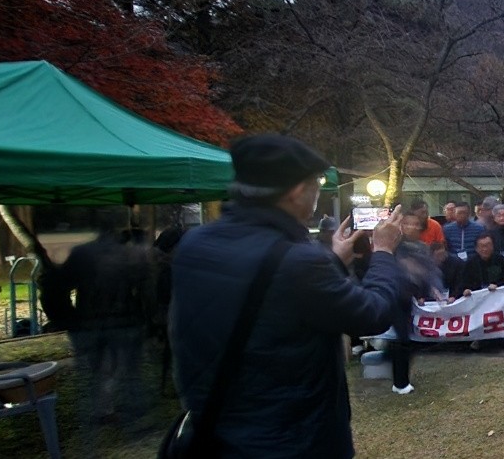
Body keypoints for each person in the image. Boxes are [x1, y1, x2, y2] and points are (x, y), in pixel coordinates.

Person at [170, 135, 403, 457]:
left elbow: (272, 298)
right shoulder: (299, 262)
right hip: (289, 438)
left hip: (217, 429)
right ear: (296, 191)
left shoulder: (194, 243)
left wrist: (332, 261)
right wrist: (385, 251)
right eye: (316, 183)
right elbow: (372, 315)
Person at [46, 207, 154, 426]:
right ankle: (130, 412)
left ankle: (102, 411)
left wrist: (67, 318)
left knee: (97, 370)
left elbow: (57, 287)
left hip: (91, 321)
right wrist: (148, 318)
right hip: (123, 321)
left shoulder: (83, 253)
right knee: (128, 369)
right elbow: (146, 290)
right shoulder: (128, 255)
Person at [390, 213, 443, 392]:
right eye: (408, 224)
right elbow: (405, 267)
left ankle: (401, 378)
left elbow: (430, 271)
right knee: (402, 339)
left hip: (408, 298)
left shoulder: (422, 247)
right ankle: (400, 383)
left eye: (415, 224)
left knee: (406, 339)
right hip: (393, 296)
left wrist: (434, 289)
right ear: (402, 226)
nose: (412, 227)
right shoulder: (395, 245)